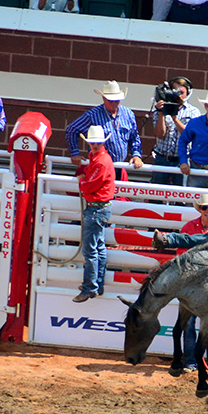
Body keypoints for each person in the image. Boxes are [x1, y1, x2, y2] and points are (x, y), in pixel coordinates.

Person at [174, 192, 208, 370]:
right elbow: (180, 255)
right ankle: (191, 361)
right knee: (189, 324)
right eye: (204, 207)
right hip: (191, 284)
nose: (207, 210)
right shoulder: (189, 227)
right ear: (200, 209)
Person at [65, 80, 145, 179]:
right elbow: (72, 129)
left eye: (117, 100)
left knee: (118, 193)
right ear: (103, 98)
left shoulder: (128, 114)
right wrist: (75, 153)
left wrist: (136, 155)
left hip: (119, 167)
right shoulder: (93, 115)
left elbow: (134, 137)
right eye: (110, 100)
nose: (114, 103)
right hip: (99, 167)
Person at [73, 125, 114, 303]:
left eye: (97, 143)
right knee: (98, 247)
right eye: (93, 143)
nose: (95, 145)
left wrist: (82, 182)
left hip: (96, 207)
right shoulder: (99, 159)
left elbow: (90, 185)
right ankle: (96, 284)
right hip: (100, 207)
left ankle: (90, 287)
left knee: (90, 250)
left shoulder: (100, 161)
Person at [150, 75, 198, 187]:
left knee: (180, 197)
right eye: (175, 91)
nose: (178, 95)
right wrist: (161, 113)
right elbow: (159, 134)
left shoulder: (193, 112)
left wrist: (174, 118)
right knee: (156, 195)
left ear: (188, 93)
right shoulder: (160, 110)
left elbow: (189, 135)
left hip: (182, 161)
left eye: (181, 92)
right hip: (162, 158)